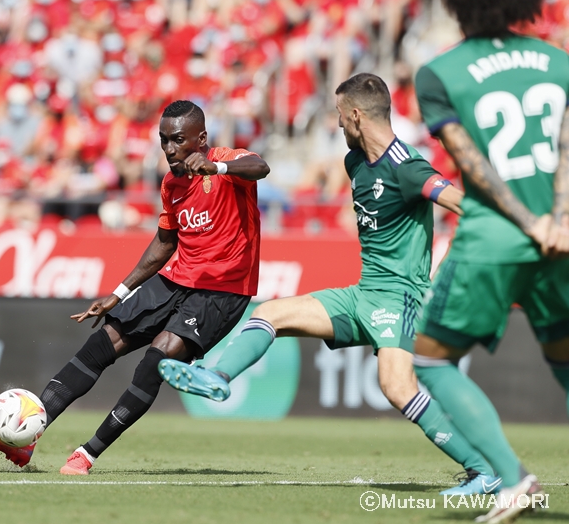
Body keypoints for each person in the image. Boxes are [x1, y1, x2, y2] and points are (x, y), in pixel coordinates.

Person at [159, 74, 498, 496]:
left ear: (356, 115)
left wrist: (444, 272)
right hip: (363, 294)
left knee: (396, 386)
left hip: (401, 296)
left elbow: (470, 211)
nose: (337, 125)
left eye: (340, 115)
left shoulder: (408, 168)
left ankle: (484, 469)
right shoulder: (354, 163)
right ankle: (217, 376)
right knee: (269, 313)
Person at [0, 100, 270, 474]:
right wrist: (119, 292)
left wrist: (218, 166)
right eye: (163, 141)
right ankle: (27, 436)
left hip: (223, 290)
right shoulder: (171, 183)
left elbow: (261, 167)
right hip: (176, 278)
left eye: (178, 140)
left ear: (201, 138)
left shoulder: (228, 160)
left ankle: (87, 453)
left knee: (155, 361)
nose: (169, 149)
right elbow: (164, 242)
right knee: (100, 344)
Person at [412, 0, 569, 521]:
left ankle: (511, 477)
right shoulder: (557, 60)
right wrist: (557, 221)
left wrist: (526, 224)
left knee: (431, 360)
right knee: (566, 362)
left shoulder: (439, 72)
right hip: (560, 241)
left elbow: (474, 166)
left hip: (493, 243)